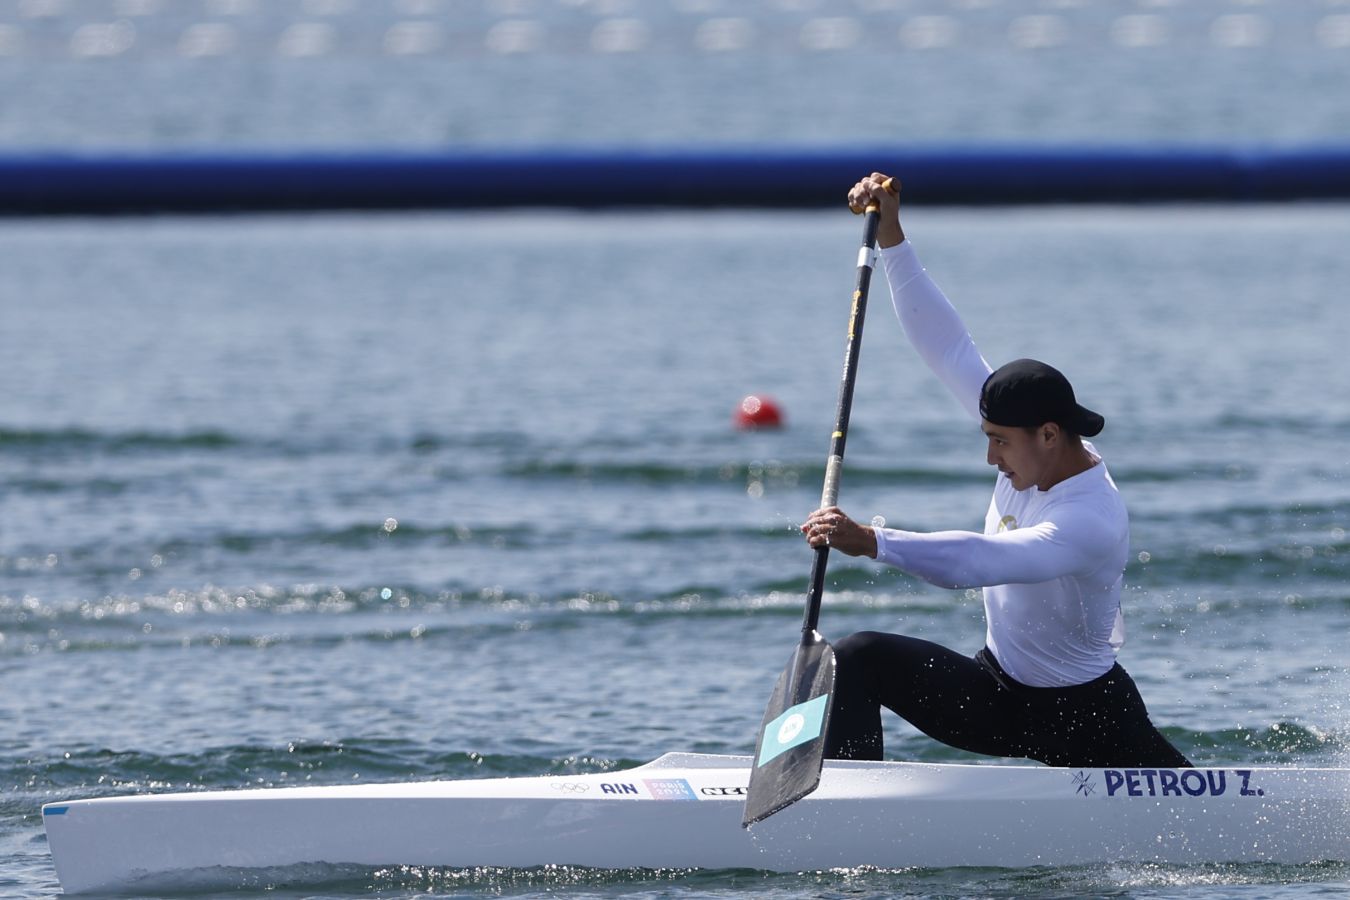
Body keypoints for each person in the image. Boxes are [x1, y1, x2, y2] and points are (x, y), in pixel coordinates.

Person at [799, 172, 1190, 769]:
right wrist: (893, 235)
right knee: (855, 657)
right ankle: (851, 811)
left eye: (999, 443)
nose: (992, 459)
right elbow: (946, 346)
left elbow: (980, 562)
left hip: (1085, 718)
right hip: (999, 692)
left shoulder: (1091, 518)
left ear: (1050, 435)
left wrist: (873, 541)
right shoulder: (1025, 442)